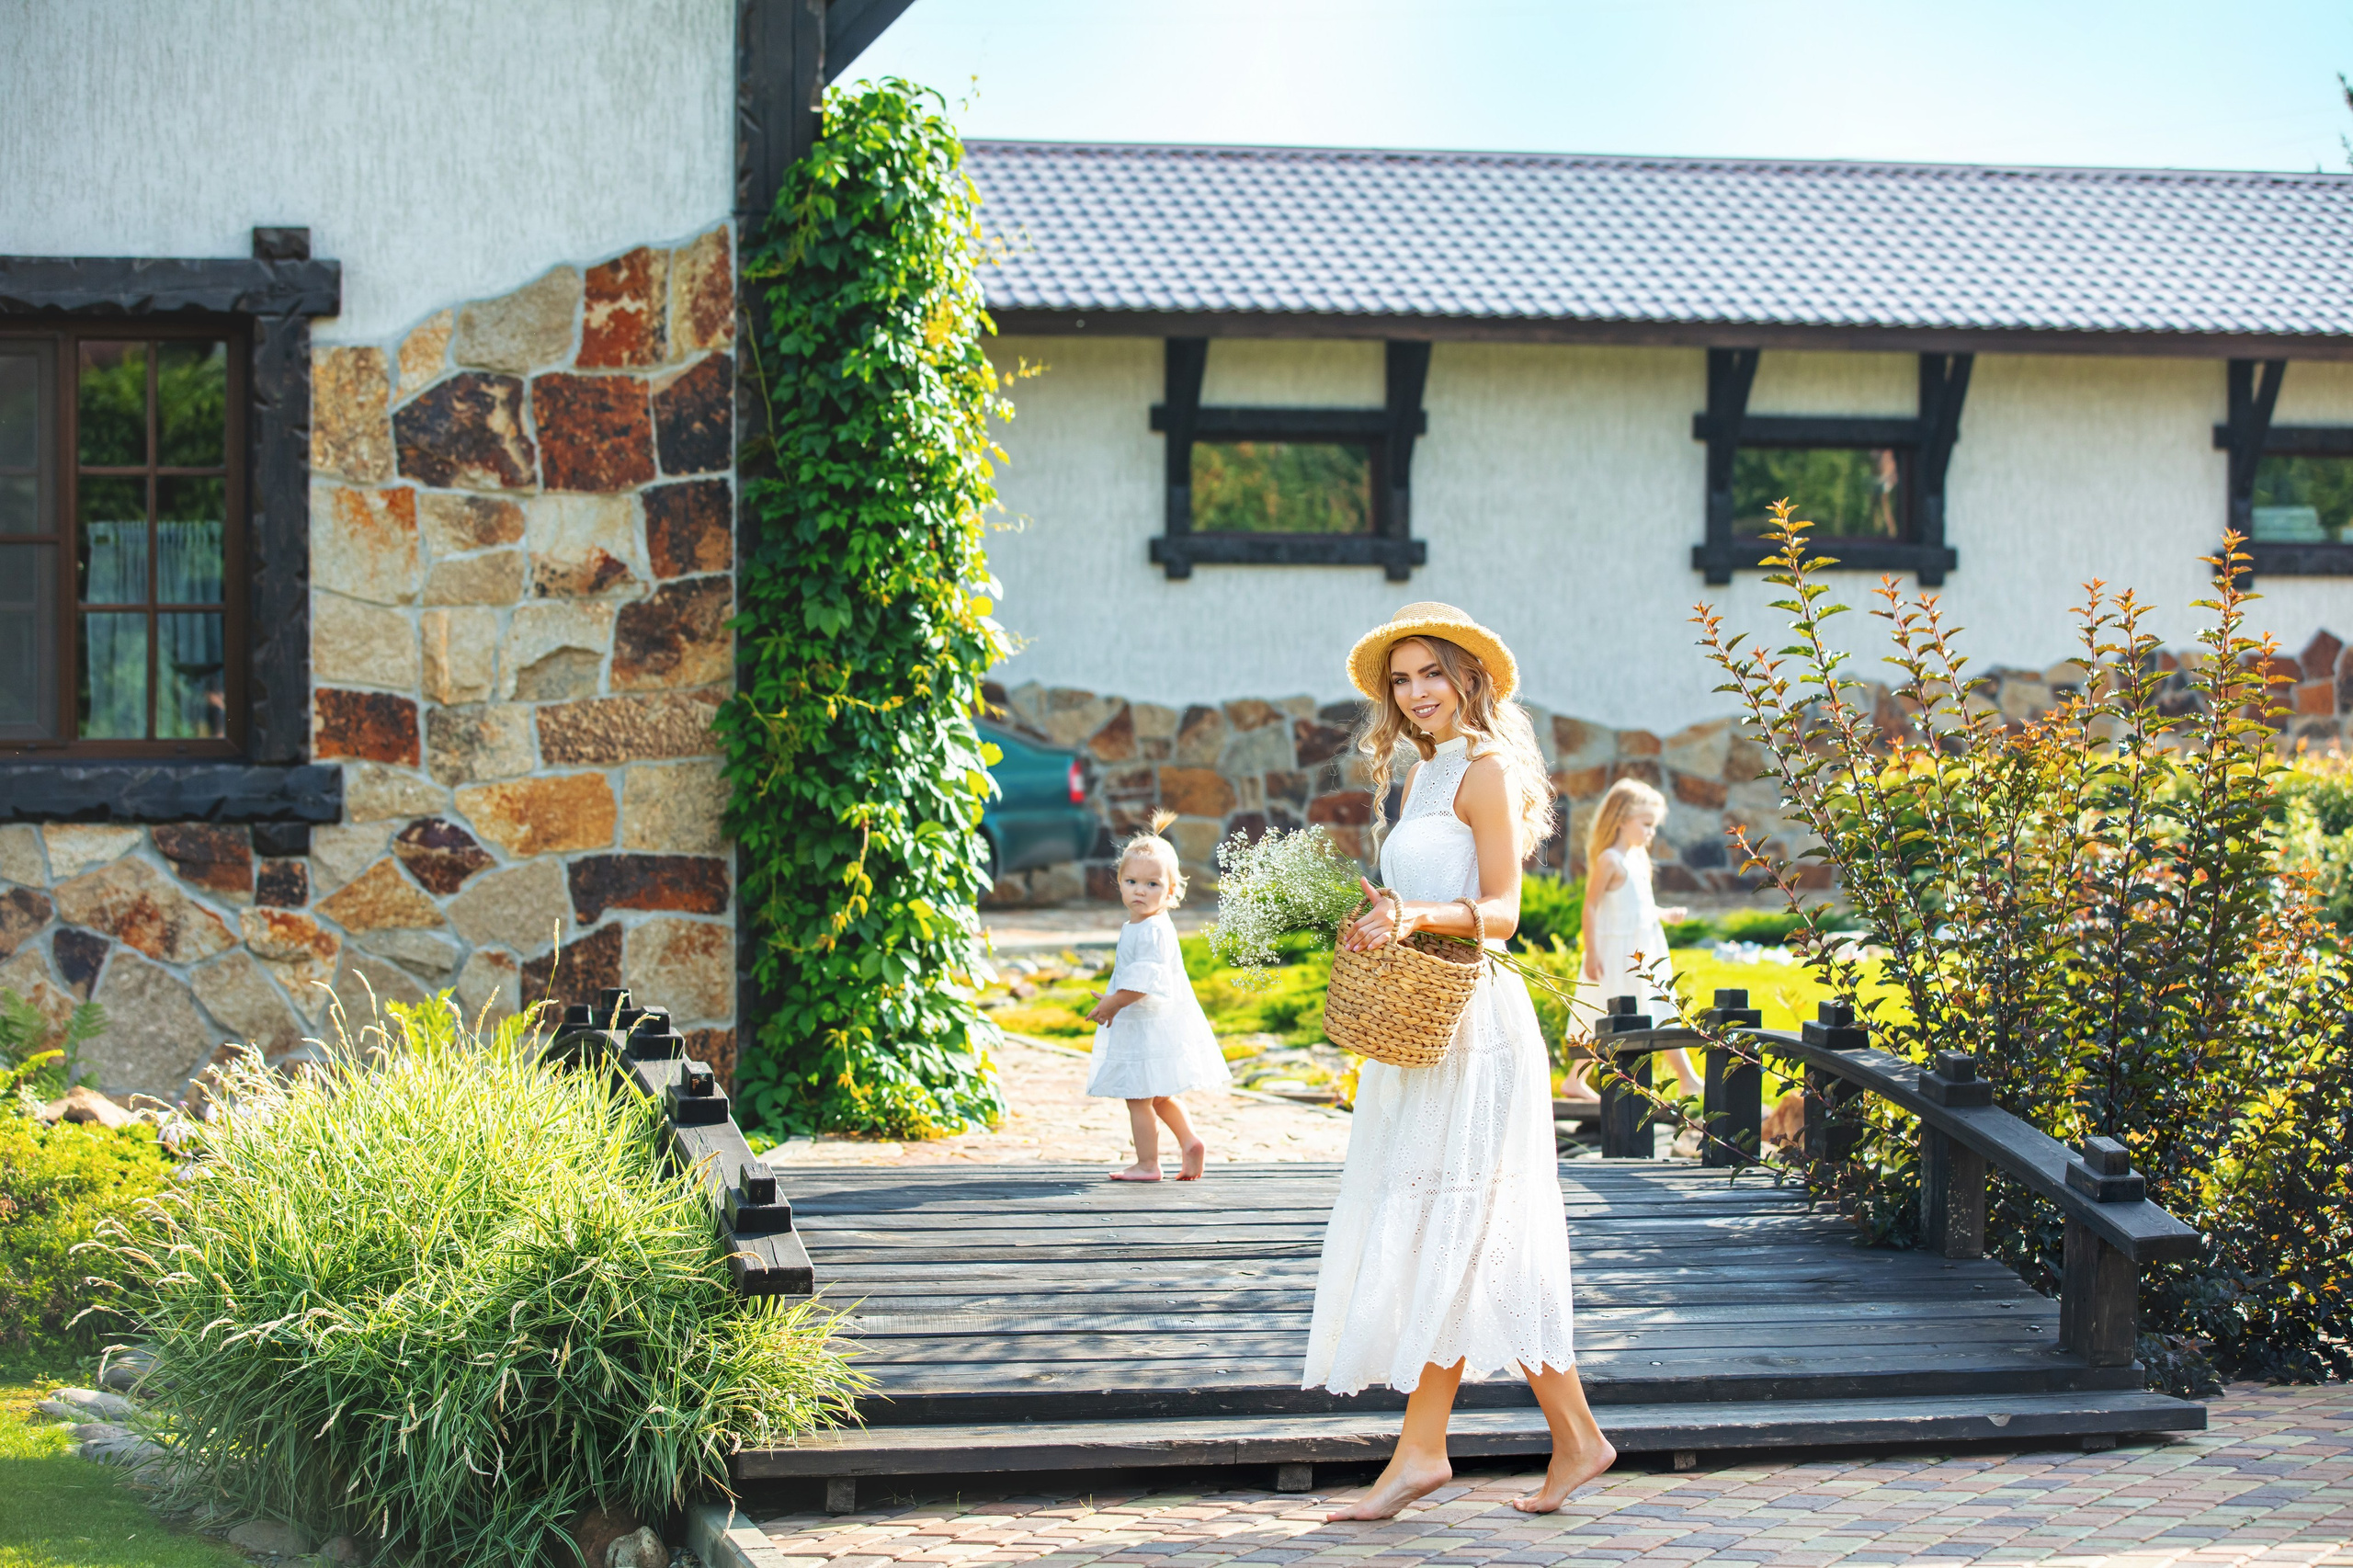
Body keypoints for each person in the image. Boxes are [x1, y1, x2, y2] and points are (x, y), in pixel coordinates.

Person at [1304, 602, 1616, 1519]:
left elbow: (1504, 911)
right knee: (1452, 1224)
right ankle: (1527, 1440)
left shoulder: (1483, 769)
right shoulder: (1420, 772)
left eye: (1429, 673)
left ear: (1467, 676)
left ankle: (1435, 1450)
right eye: (1401, 680)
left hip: (1475, 1021)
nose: (1415, 692)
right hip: (1421, 1017)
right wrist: (1379, 919)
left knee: (1466, 1220)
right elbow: (1423, 895)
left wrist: (1418, 915)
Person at [1085, 809, 1230, 1181]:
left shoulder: (1149, 929)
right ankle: (1190, 1141)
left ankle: (1148, 1164)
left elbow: (1143, 981)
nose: (1140, 890)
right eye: (1132, 881)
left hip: (1147, 1024)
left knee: (1138, 1097)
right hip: (1158, 1021)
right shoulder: (1144, 925)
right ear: (1119, 883)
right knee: (1160, 1095)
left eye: (1152, 884)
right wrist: (1113, 993)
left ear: (1171, 890)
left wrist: (1111, 1003)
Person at [1574, 778, 1700, 1101]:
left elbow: (1638, 907)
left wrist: (1664, 913)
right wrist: (1592, 952)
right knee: (1602, 1011)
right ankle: (1575, 1079)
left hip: (1643, 952)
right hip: (1617, 955)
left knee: (1659, 1007)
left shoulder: (1636, 860)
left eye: (1653, 825)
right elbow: (1590, 906)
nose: (1651, 832)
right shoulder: (1609, 861)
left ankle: (1687, 1077)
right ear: (1621, 819)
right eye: (1646, 824)